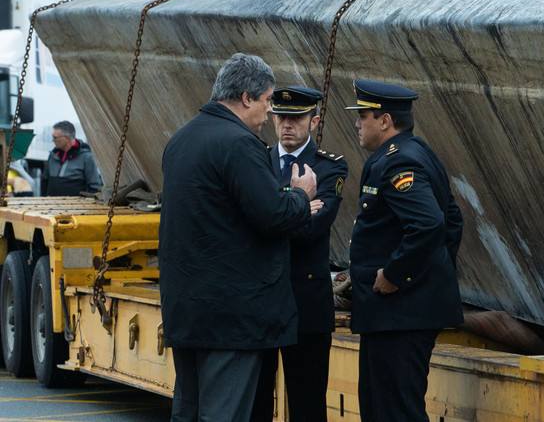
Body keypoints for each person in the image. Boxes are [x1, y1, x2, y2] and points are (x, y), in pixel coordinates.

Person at [159, 53, 319, 422]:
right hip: (230, 318)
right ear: (246, 98)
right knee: (223, 415)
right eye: (267, 102)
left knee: (188, 411)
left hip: (188, 308)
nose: (268, 114)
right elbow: (272, 214)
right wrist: (300, 195)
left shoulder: (181, 139)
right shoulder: (239, 143)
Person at [346, 79, 463, 421]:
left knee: (395, 412)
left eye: (363, 116)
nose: (357, 124)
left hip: (399, 314)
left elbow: (430, 224)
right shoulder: (416, 150)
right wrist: (433, 273)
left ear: (384, 121)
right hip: (395, 315)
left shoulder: (399, 163)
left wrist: (396, 275)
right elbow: (452, 219)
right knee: (379, 406)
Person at [251, 86, 347, 422]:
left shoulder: (329, 167)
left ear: (314, 120)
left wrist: (269, 218)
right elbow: (246, 226)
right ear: (272, 117)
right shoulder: (256, 160)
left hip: (306, 304)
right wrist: (299, 203)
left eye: (297, 118)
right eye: (281, 117)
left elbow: (311, 230)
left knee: (307, 405)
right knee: (255, 404)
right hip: (260, 302)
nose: (287, 124)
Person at [43, 120, 102, 196]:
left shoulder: (87, 157)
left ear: (67, 137)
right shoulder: (52, 156)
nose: (53, 140)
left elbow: (94, 187)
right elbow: (45, 181)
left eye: (55, 137)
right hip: (52, 205)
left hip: (76, 206)